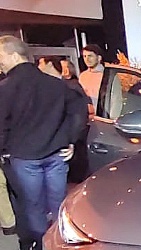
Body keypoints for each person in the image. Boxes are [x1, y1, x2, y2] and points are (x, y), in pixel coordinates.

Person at [0, 36, 88, 250]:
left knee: (33, 204)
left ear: (14, 55)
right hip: (57, 153)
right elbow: (78, 112)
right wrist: (71, 139)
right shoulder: (56, 84)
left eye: (1, 58)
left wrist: (3, 151)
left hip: (23, 157)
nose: (0, 64)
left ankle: (43, 247)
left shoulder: (5, 89)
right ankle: (60, 242)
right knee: (58, 201)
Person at [38, 56, 92, 184]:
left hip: (68, 149)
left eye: (40, 63)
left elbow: (80, 115)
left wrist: (71, 141)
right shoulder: (47, 88)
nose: (38, 67)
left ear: (50, 65)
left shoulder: (70, 87)